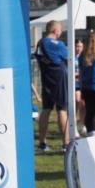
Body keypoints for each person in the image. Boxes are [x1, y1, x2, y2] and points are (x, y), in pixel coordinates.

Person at [35, 21, 70, 152]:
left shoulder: (40, 42)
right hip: (59, 77)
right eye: (60, 29)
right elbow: (67, 57)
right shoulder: (59, 44)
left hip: (46, 77)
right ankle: (66, 144)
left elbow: (38, 57)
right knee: (62, 109)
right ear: (55, 30)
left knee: (46, 109)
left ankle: (42, 143)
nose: (61, 32)